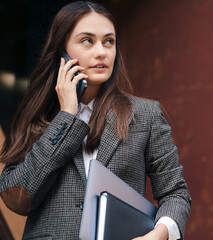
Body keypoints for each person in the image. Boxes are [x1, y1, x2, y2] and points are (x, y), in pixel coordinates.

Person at [0, 1, 191, 239]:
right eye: (87, 41)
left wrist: (160, 233)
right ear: (61, 52)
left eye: (108, 41)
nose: (101, 51)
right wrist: (66, 117)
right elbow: (18, 197)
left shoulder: (145, 115)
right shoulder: (37, 116)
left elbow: (176, 193)